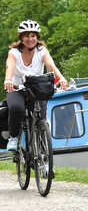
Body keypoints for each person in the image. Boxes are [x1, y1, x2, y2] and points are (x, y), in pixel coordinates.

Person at [3, 20, 67, 152]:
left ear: (37, 37)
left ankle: (45, 159)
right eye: (27, 35)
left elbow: (51, 65)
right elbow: (10, 66)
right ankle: (13, 138)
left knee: (41, 119)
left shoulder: (42, 51)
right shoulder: (14, 53)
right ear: (21, 38)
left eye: (33, 35)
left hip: (37, 88)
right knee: (16, 108)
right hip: (16, 88)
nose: (30, 39)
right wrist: (8, 80)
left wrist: (61, 78)